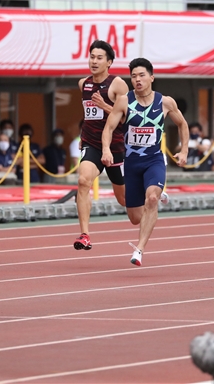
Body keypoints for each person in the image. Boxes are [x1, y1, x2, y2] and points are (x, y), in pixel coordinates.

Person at [102, 57, 188, 266]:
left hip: (154, 160)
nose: (137, 80)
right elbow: (109, 128)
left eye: (142, 75)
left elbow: (182, 124)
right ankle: (158, 192)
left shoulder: (165, 102)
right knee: (134, 218)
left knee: (151, 199)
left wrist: (184, 150)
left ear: (151, 77)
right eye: (133, 76)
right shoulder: (124, 101)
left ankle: (139, 249)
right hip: (131, 164)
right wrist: (106, 149)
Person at [73, 40, 129, 251]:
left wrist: (105, 105)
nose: (94, 61)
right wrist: (83, 135)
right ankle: (85, 234)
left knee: (124, 201)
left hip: (116, 148)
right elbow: (89, 115)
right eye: (92, 57)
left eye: (99, 58)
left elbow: (126, 119)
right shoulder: (83, 84)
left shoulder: (118, 84)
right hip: (92, 144)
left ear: (109, 62)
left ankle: (150, 191)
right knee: (83, 181)